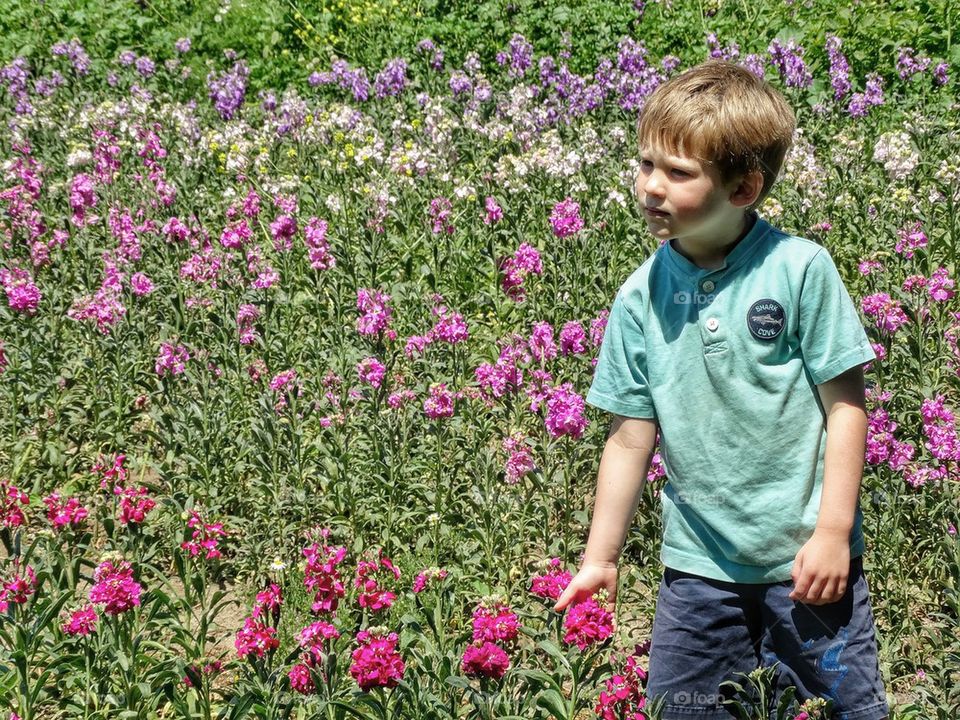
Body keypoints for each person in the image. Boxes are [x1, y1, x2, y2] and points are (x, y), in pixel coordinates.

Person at [553, 60, 889, 720]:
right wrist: (601, 559)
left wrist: (832, 531)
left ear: (744, 187)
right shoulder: (638, 296)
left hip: (808, 566)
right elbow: (628, 440)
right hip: (698, 571)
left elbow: (846, 406)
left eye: (678, 173)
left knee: (846, 710)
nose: (651, 186)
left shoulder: (798, 270)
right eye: (647, 164)